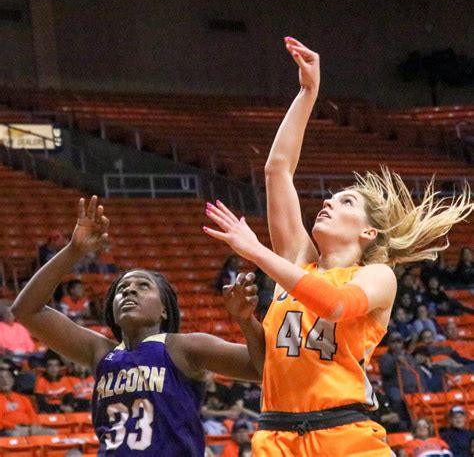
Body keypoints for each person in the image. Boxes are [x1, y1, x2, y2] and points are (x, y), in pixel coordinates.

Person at [203, 37, 473, 457]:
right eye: (331, 197)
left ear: (368, 234)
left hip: (344, 435)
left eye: (346, 201)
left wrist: (257, 252)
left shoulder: (377, 276)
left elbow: (332, 305)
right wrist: (308, 92)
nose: (328, 201)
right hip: (275, 434)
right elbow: (277, 170)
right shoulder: (297, 260)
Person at [11, 196, 263, 457]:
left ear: (164, 309)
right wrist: (74, 250)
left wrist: (246, 320)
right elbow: (26, 309)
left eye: (143, 286)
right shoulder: (100, 351)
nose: (130, 290)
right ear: (112, 309)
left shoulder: (181, 347)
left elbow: (261, 368)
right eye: (122, 290)